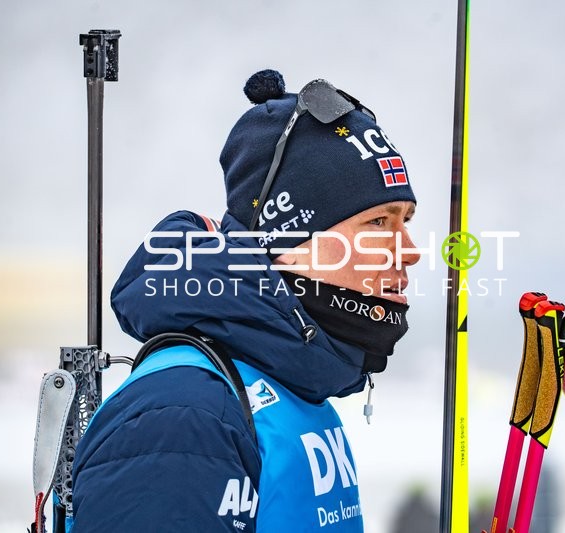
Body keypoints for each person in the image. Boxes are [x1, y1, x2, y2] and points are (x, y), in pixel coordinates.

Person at [71, 69, 419, 532]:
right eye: (378, 222)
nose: (411, 250)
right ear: (289, 239)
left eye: (407, 220)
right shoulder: (184, 417)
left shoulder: (287, 388)